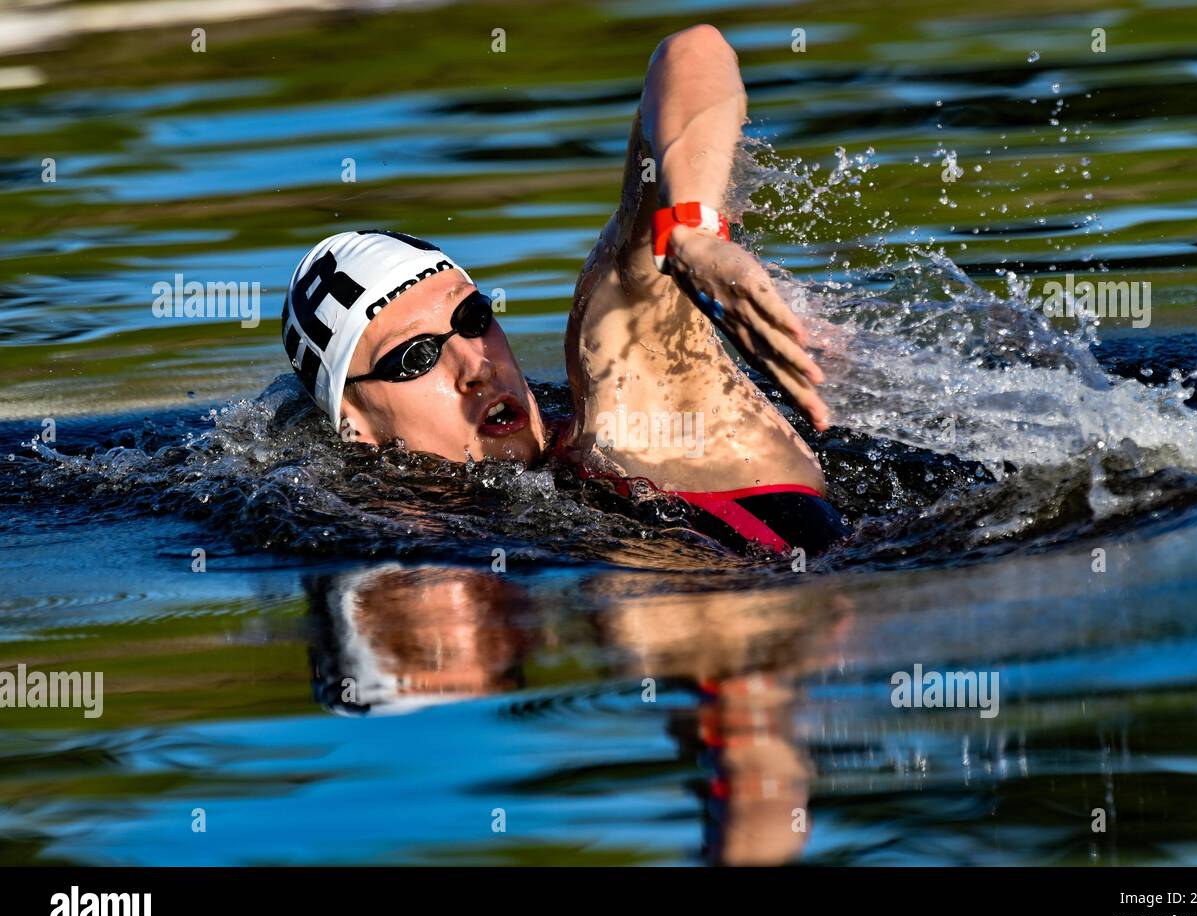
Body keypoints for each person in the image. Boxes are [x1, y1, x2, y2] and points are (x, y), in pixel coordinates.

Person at [280, 25, 850, 555]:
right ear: (355, 427)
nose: (474, 365)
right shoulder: (406, 548)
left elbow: (693, 51)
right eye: (415, 356)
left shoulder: (637, 401)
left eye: (474, 318)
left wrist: (689, 231)